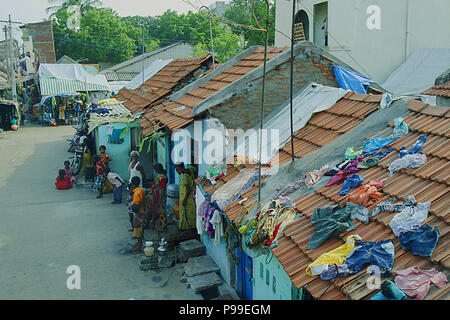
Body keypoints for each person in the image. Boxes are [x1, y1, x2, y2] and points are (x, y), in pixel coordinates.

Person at [175, 162, 196, 231]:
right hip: (192, 196)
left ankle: (188, 229)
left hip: (187, 198)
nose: (177, 172)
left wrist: (184, 200)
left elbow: (188, 189)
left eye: (177, 170)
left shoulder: (184, 176)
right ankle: (193, 228)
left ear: (181, 168)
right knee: (191, 213)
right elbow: (194, 168)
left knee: (186, 214)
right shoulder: (190, 170)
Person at [130, 176, 145, 253]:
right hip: (142, 210)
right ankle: (139, 245)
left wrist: (136, 215)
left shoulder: (136, 193)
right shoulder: (141, 190)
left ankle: (139, 248)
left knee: (138, 231)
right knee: (139, 231)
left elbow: (136, 204)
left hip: (138, 212)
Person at [152, 163, 168, 232]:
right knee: (158, 211)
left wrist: (159, 199)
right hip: (157, 196)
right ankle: (159, 226)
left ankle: (163, 227)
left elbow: (162, 189)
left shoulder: (163, 178)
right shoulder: (160, 176)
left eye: (155, 170)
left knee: (162, 212)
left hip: (160, 197)